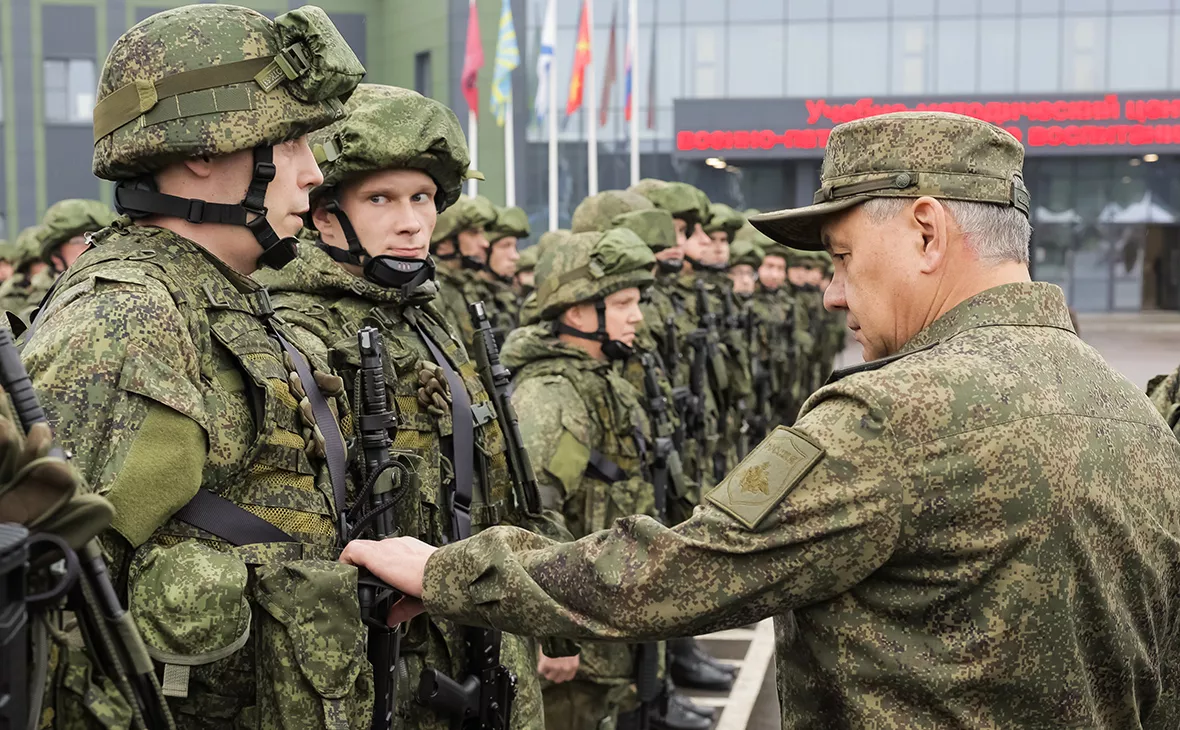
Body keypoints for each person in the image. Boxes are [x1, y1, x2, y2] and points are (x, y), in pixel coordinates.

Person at [341, 111, 1180, 730]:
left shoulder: (892, 419)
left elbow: (677, 571)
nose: (837, 292)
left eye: (845, 258)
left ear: (927, 230)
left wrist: (451, 571)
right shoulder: (1132, 415)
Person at [21, 4, 369, 727]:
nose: (313, 173)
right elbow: (61, 617)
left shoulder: (225, 296)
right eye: (295, 140)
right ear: (207, 149)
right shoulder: (128, 316)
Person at [255, 83, 551, 730]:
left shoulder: (425, 315)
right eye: (381, 199)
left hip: (479, 635)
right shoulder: (292, 332)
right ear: (324, 213)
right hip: (385, 667)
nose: (413, 220)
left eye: (422, 198)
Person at [499, 228, 706, 730]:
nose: (638, 315)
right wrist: (556, 637)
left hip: (606, 613)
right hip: (578, 636)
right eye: (623, 302)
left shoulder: (601, 379)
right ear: (576, 312)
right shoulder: (553, 395)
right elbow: (534, 515)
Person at [22, 198, 118, 317]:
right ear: (56, 257)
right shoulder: (37, 311)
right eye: (82, 240)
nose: (93, 245)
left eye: (100, 237)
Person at [430, 194, 496, 350]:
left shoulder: (464, 284)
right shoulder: (432, 290)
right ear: (445, 242)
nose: (485, 243)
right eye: (474, 233)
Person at [479, 205, 529, 342]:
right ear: (486, 250)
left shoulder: (508, 293)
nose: (515, 256)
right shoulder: (471, 294)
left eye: (514, 246)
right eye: (505, 246)